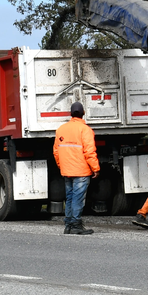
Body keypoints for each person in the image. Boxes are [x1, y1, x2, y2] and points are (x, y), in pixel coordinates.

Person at [53, 101, 100, 236]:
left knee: (69, 197)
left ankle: (68, 225)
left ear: (71, 114)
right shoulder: (85, 130)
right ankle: (76, 224)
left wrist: (61, 165)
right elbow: (89, 152)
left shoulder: (61, 129)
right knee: (78, 198)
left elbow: (56, 151)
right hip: (81, 170)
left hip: (67, 170)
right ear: (83, 113)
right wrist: (95, 168)